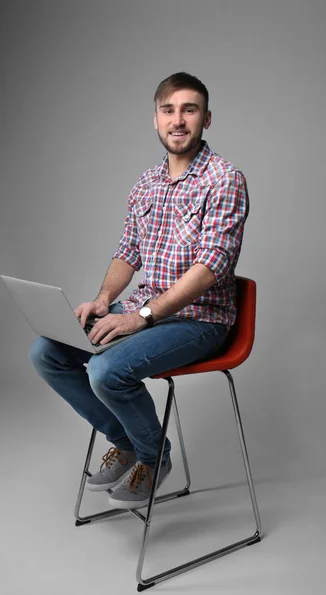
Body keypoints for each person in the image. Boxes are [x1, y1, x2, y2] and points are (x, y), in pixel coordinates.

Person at [29, 72, 249, 510]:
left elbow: (209, 269)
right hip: (145, 311)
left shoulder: (225, 179)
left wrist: (141, 316)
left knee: (106, 371)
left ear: (207, 119)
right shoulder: (146, 183)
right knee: (46, 352)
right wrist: (104, 300)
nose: (178, 120)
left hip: (201, 321)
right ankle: (126, 441)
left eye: (190, 109)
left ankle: (153, 456)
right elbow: (127, 251)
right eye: (168, 110)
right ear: (155, 119)